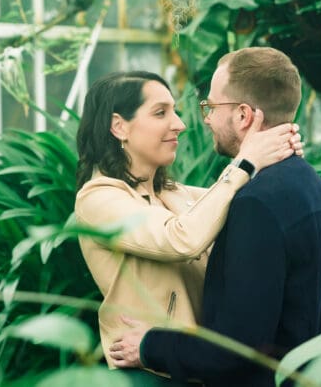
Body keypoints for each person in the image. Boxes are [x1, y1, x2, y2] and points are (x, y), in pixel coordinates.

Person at [106, 48, 321, 387]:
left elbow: (234, 349)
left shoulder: (257, 204)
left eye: (211, 107)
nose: (205, 119)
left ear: (243, 115)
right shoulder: (312, 187)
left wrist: (149, 346)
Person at [74, 71, 303, 384]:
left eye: (175, 111)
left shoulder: (171, 193)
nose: (179, 124)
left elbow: (240, 202)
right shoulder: (98, 199)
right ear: (119, 126)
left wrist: (274, 154)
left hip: (189, 365)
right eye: (160, 113)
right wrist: (246, 162)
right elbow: (181, 238)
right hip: (147, 373)